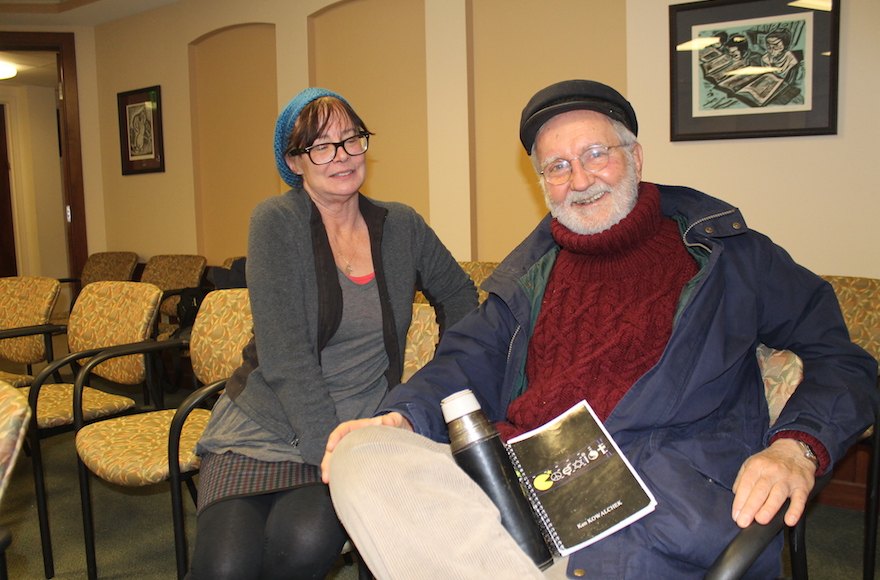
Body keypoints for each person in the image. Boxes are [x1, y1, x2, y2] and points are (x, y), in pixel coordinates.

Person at [321, 80, 879, 579]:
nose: (580, 180)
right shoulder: (528, 274)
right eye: (557, 167)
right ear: (542, 182)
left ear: (635, 155)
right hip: (519, 487)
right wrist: (403, 413)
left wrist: (794, 449)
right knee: (361, 452)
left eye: (595, 155)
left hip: (654, 502)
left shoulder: (732, 257)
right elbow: (465, 360)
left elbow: (844, 360)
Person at [186, 87, 478, 580]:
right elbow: (285, 359)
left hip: (358, 427)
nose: (340, 156)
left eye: (351, 139)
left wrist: (441, 382)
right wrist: (332, 451)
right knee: (224, 568)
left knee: (300, 545)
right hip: (264, 425)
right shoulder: (276, 222)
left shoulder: (401, 225)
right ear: (293, 162)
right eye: (320, 146)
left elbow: (460, 297)